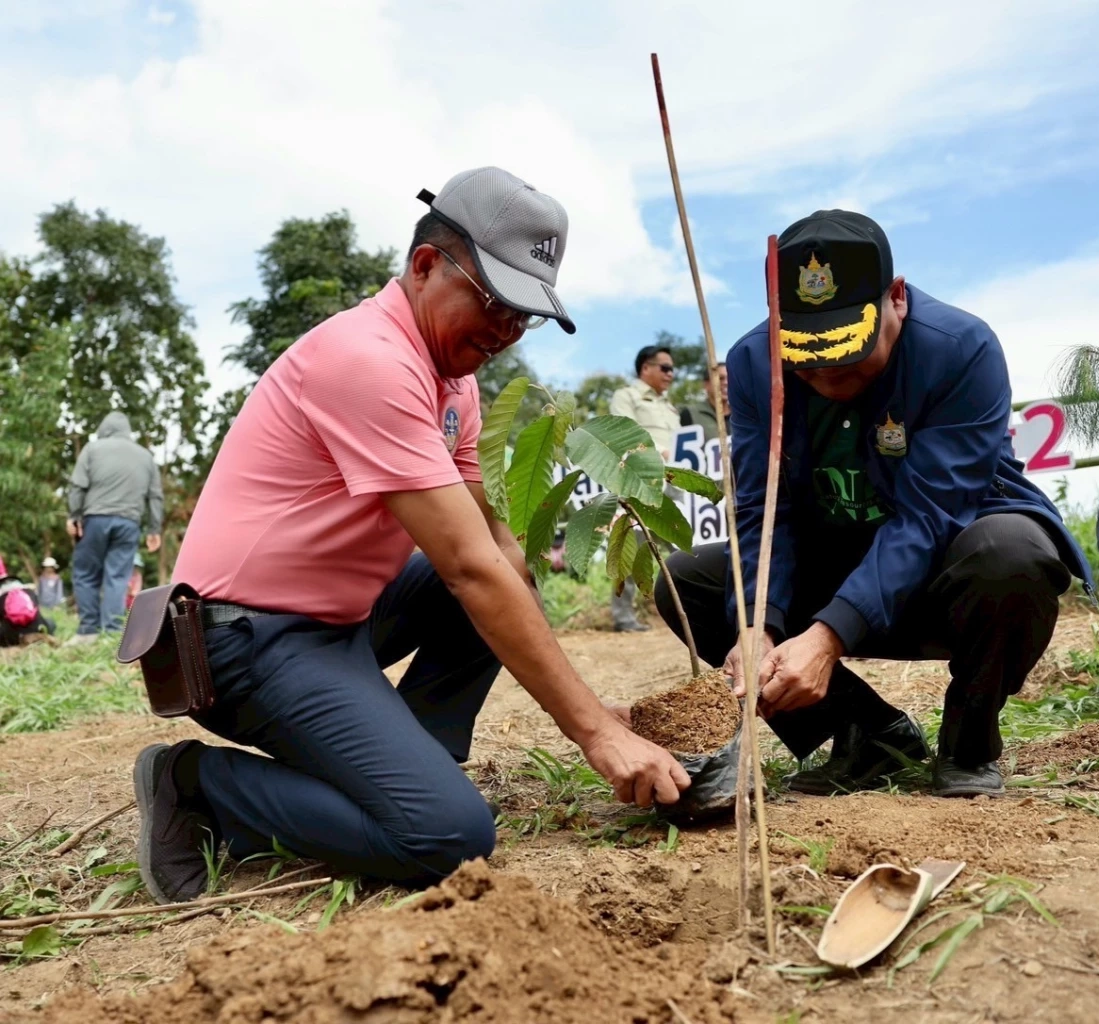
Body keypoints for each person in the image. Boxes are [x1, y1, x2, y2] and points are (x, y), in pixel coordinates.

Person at [135, 167, 688, 906]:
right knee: (448, 840)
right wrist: (594, 733)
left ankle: (404, 767)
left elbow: (496, 553)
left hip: (335, 623)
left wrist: (595, 705)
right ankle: (196, 786)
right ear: (426, 266)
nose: (505, 331)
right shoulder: (367, 359)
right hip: (243, 639)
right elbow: (467, 568)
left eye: (525, 316)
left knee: (497, 587)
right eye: (495, 302)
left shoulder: (454, 384)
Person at [655, 211, 1091, 798]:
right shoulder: (755, 362)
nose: (828, 375)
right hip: (838, 556)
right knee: (690, 582)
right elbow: (765, 508)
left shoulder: (960, 350)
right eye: (807, 358)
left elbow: (931, 514)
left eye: (849, 351)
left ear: (898, 298)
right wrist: (759, 623)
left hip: (948, 563)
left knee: (1012, 553)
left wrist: (830, 635)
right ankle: (869, 736)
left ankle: (969, 743)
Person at [66, 411, 163, 643]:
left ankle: (88, 631)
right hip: (129, 522)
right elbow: (155, 496)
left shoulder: (92, 449)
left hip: (95, 519)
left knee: (86, 574)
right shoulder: (146, 456)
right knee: (118, 577)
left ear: (103, 428)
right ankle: (111, 633)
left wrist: (74, 516)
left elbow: (78, 486)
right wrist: (154, 529)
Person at [607, 345, 683, 632]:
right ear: (645, 368)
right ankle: (623, 618)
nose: (671, 374)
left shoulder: (669, 407)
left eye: (672, 369)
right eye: (665, 368)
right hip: (639, 486)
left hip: (674, 487)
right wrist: (659, 451)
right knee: (630, 550)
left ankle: (688, 611)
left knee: (685, 549)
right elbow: (623, 434)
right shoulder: (626, 397)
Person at [680, 363, 730, 435]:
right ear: (706, 385)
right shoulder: (690, 414)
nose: (726, 382)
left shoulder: (742, 414)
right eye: (720, 378)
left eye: (730, 378)